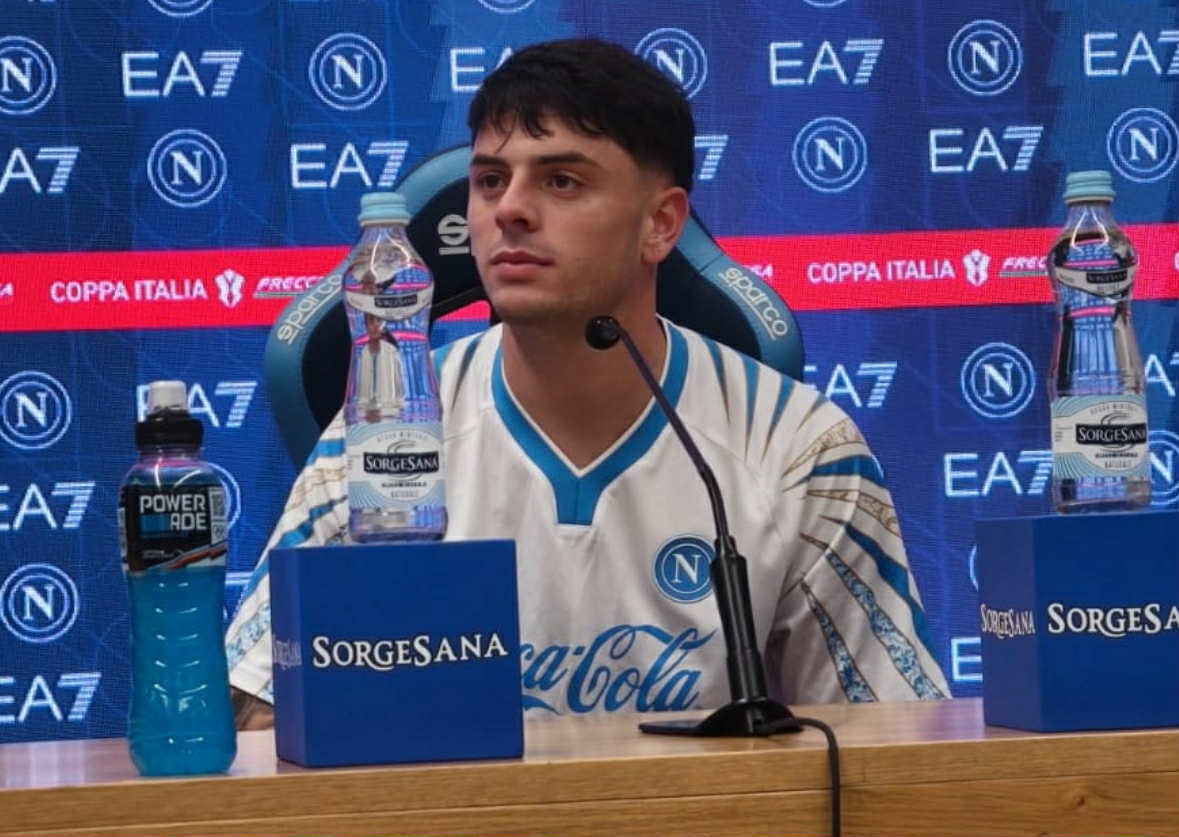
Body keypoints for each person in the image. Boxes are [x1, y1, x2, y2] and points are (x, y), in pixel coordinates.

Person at [226, 38, 948, 729]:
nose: (508, 209)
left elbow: (892, 737)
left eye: (561, 180)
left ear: (659, 224)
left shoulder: (795, 448)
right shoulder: (385, 438)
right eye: (489, 181)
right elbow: (251, 710)